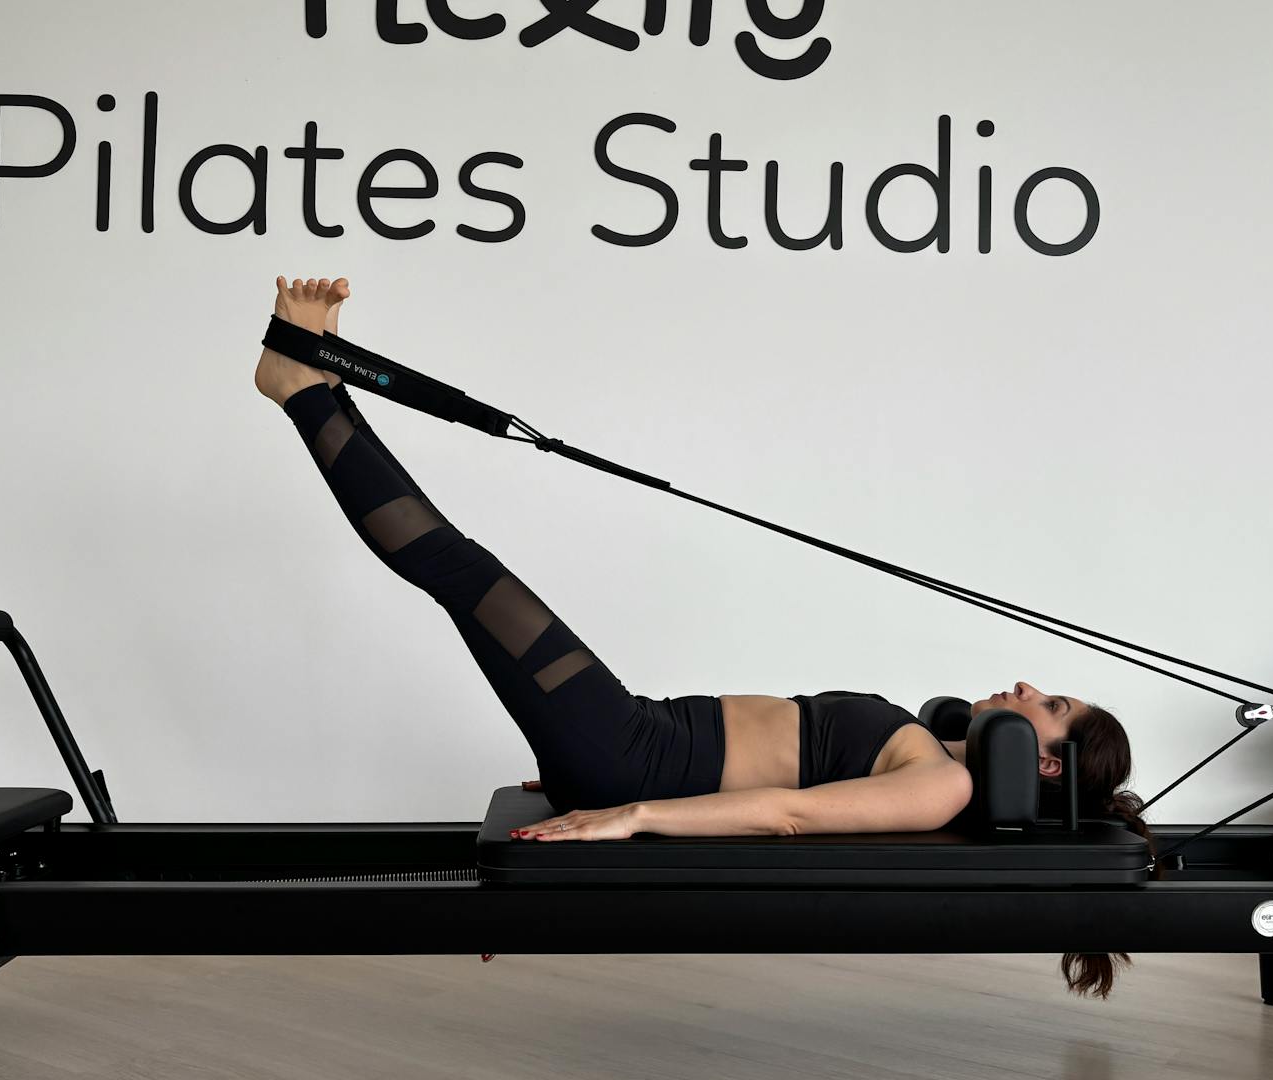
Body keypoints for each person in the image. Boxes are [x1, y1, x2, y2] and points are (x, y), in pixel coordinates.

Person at [254, 275, 1148, 996]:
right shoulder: (938, 745)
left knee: (462, 570)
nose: (1030, 687)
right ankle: (317, 387)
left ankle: (304, 390)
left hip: (630, 757)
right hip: (629, 733)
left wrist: (632, 812)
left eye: (1052, 705)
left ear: (1043, 767)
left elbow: (786, 814)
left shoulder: (940, 788)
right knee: (464, 574)